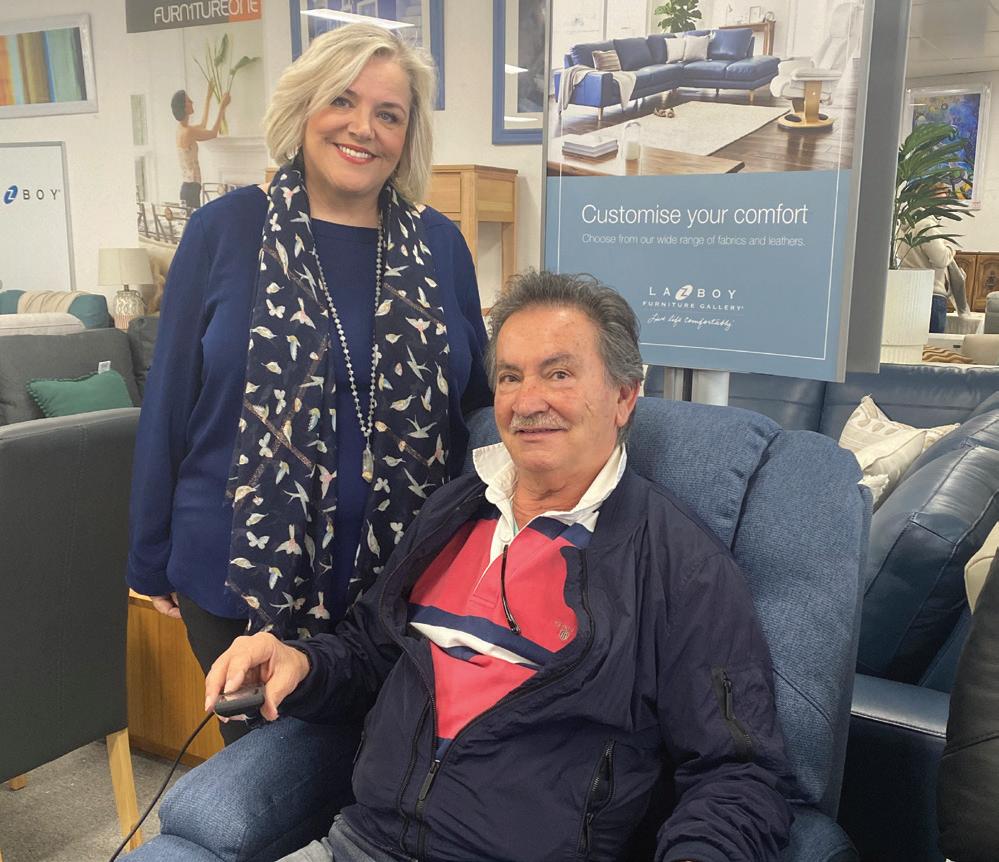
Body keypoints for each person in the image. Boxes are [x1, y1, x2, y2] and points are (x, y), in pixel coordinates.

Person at [205, 271, 795, 861]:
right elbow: (370, 653)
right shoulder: (453, 512)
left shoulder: (681, 566)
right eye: (511, 377)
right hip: (361, 845)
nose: (528, 402)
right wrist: (300, 663)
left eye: (558, 374)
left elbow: (737, 774)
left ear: (624, 397)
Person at [129, 24, 490, 745]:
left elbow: (474, 405)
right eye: (342, 101)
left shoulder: (440, 246)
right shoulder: (224, 230)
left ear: (408, 135)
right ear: (303, 108)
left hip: (402, 586)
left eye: (388, 114)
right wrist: (148, 554)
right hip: (237, 579)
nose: (363, 127)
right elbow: (169, 399)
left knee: (385, 773)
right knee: (269, 779)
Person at [897, 214, 971, 333]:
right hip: (932, 295)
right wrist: (950, 248)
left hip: (908, 293)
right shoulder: (926, 225)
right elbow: (941, 259)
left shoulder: (903, 227)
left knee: (910, 340)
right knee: (932, 342)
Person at [172, 82, 230, 211]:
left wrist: (208, 98)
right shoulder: (187, 132)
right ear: (184, 107)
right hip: (191, 188)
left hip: (189, 187)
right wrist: (222, 107)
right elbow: (213, 133)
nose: (192, 102)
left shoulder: (183, 129)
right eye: (189, 101)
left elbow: (203, 125)